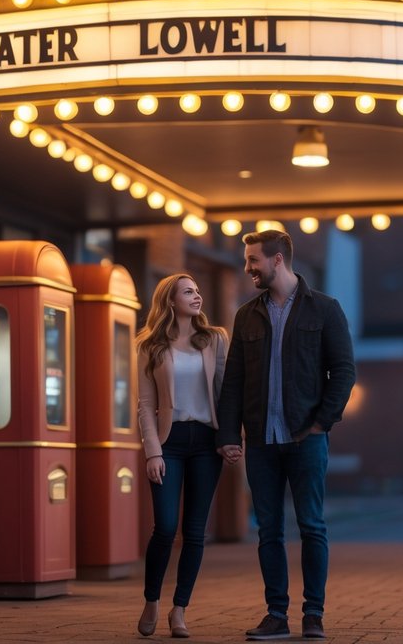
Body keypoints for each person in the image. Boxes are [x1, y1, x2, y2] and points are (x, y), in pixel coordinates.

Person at [217, 229, 356, 641]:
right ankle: (276, 614)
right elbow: (234, 381)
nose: (248, 268)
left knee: (312, 525)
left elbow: (344, 372)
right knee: (269, 530)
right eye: (247, 261)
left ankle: (314, 614)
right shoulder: (246, 316)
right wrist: (229, 433)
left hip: (306, 439)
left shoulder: (325, 310)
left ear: (278, 259)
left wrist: (320, 423)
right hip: (260, 440)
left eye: (253, 260)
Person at [136, 273, 231, 639]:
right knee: (165, 526)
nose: (197, 296)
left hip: (206, 443)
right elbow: (145, 405)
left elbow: (225, 393)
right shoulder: (150, 345)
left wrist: (229, 439)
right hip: (169, 442)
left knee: (195, 532)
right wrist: (152, 452)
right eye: (188, 292)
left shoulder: (215, 340)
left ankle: (180, 610)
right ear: (170, 301)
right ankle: (151, 600)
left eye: (198, 290)